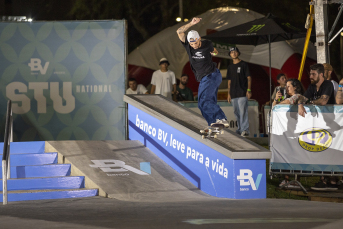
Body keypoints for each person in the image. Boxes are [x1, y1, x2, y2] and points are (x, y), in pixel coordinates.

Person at [176, 17, 228, 127]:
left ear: (199, 39)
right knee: (201, 104)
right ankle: (213, 123)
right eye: (191, 44)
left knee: (205, 100)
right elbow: (179, 32)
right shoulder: (188, 45)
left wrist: (214, 53)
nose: (194, 45)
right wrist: (191, 23)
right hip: (204, 78)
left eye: (195, 43)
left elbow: (214, 51)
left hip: (212, 75)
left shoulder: (207, 44)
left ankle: (221, 118)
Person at [226, 47, 252, 137]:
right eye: (231, 52)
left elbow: (249, 78)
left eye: (235, 52)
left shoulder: (244, 64)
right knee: (236, 112)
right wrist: (228, 94)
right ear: (230, 54)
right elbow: (229, 81)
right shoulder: (230, 67)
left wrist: (248, 90)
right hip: (233, 93)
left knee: (243, 111)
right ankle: (240, 129)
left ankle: (245, 130)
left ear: (238, 53)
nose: (233, 53)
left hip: (242, 92)